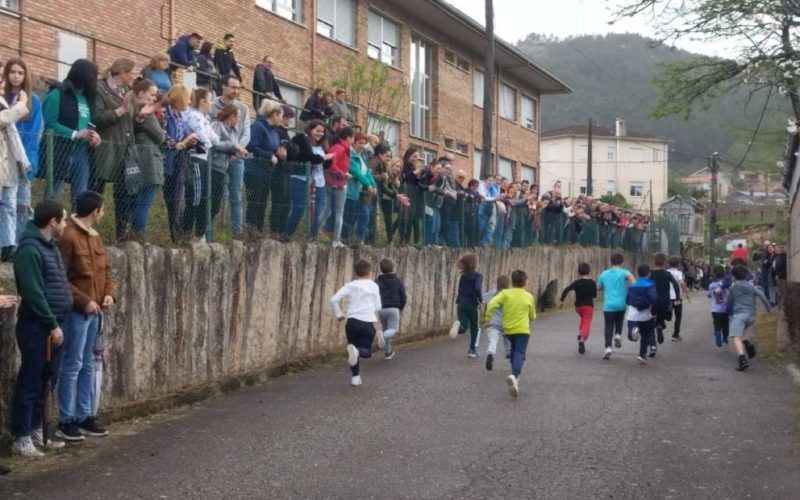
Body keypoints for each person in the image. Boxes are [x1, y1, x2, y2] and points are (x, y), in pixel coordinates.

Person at [11, 200, 71, 457]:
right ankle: (21, 435)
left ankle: (38, 429)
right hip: (37, 326)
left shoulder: (49, 247)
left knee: (47, 378)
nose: (66, 224)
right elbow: (34, 293)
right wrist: (51, 323)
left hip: (53, 323)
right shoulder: (29, 250)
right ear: (52, 222)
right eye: (64, 220)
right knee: (31, 379)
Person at [55, 191, 115, 441]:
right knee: (73, 364)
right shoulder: (68, 236)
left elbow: (106, 271)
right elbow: (61, 278)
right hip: (77, 312)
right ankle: (66, 419)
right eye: (102, 210)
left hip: (95, 311)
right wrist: (85, 301)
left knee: (89, 365)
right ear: (96, 211)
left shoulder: (95, 237)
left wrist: (109, 294)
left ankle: (84, 415)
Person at [183, 88, 243, 241]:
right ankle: (190, 234)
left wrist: (231, 149)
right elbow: (211, 142)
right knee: (200, 199)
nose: (212, 103)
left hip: (219, 167)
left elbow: (215, 140)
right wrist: (232, 147)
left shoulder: (208, 120)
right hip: (209, 165)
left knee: (213, 204)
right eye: (210, 100)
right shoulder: (211, 122)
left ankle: (199, 234)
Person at [41, 58, 101, 212]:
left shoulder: (89, 98)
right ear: (83, 75)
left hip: (82, 153)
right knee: (51, 194)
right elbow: (49, 124)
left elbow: (91, 124)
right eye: (93, 75)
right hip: (59, 151)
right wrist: (75, 134)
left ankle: (76, 230)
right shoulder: (57, 94)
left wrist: (95, 137)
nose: (95, 79)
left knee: (80, 196)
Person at [92, 58, 140, 242]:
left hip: (126, 150)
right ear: (121, 71)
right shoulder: (100, 88)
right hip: (106, 148)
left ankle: (122, 233)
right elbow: (97, 118)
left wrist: (140, 118)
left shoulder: (127, 91)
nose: (132, 77)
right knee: (97, 190)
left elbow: (131, 120)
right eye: (130, 73)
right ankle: (90, 230)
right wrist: (120, 110)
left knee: (124, 192)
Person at [3, 58, 43, 246]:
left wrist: (27, 160)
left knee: (21, 204)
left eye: (20, 73)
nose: (16, 76)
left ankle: (21, 242)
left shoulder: (32, 99)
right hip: (4, 157)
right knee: (6, 203)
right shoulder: (3, 97)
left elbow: (33, 133)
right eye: (13, 72)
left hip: (23, 157)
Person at [485, 270, 536, 398]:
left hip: (508, 330)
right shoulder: (529, 296)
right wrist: (531, 317)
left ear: (512, 281)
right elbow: (533, 315)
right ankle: (514, 375)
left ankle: (515, 381)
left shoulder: (505, 294)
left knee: (513, 352)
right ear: (525, 282)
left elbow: (491, 303)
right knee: (519, 353)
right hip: (523, 330)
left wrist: (488, 316)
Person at [330, 259, 382, 386]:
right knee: (366, 352)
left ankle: (355, 377)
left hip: (351, 322)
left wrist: (339, 314)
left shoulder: (350, 285)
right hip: (367, 322)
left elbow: (333, 299)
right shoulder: (373, 285)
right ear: (370, 272)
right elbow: (378, 307)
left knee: (352, 349)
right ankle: (359, 351)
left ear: (355, 272)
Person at [210, 75, 250, 238]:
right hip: (216, 157)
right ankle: (209, 232)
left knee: (236, 196)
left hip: (237, 158)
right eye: (233, 87)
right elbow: (211, 133)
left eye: (238, 87)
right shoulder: (212, 106)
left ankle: (237, 233)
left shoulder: (243, 108)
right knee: (214, 196)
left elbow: (246, 133)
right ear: (223, 87)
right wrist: (231, 148)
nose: (236, 90)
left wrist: (237, 150)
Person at [0, 71, 30, 262]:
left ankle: (8, 245)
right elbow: (3, 119)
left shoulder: (3, 101)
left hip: (9, 160)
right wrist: (20, 105)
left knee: (10, 205)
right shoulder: (11, 104)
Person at [130, 78, 165, 240]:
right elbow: (159, 137)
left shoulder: (133, 108)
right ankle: (139, 236)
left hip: (139, 159)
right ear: (141, 93)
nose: (154, 98)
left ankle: (133, 234)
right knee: (143, 203)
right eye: (152, 94)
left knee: (138, 202)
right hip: (148, 162)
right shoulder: (145, 111)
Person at [162, 84, 198, 242]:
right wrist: (179, 142)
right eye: (188, 97)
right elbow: (164, 135)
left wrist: (190, 140)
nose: (189, 101)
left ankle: (176, 235)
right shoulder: (166, 114)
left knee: (177, 200)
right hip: (167, 159)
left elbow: (183, 135)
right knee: (171, 198)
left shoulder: (181, 116)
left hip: (180, 159)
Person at [287, 119, 333, 239]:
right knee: (299, 208)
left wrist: (327, 158)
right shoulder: (301, 139)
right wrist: (322, 158)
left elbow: (326, 164)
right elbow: (306, 156)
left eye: (322, 132)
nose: (320, 134)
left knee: (317, 212)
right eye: (317, 131)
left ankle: (312, 238)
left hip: (319, 181)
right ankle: (287, 234)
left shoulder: (323, 145)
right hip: (301, 177)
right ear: (310, 129)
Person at [245, 99, 285, 235]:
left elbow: (275, 149)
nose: (282, 118)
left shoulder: (275, 131)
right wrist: (269, 155)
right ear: (274, 114)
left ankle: (259, 231)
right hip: (255, 169)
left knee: (262, 202)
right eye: (280, 115)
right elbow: (251, 146)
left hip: (268, 171)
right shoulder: (257, 126)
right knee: (255, 201)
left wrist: (280, 154)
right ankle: (251, 229)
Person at [726, 265, 772, 371]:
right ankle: (747, 344)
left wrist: (728, 312)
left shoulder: (733, 287)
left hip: (739, 314)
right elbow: (762, 296)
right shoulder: (751, 286)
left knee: (736, 336)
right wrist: (769, 309)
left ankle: (742, 359)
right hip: (751, 315)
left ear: (734, 276)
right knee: (741, 331)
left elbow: (729, 302)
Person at [320, 126, 354, 248]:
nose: (353, 140)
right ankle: (336, 240)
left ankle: (314, 232)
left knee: (326, 209)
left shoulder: (337, 147)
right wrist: (343, 175)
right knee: (339, 212)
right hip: (338, 183)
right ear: (348, 137)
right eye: (353, 137)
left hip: (330, 181)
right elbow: (332, 165)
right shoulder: (341, 149)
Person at [597, 253, 634, 360]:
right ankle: (618, 334)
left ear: (610, 262)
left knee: (608, 326)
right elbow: (633, 280)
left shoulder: (604, 274)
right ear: (622, 262)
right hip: (621, 303)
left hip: (608, 304)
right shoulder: (624, 272)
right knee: (619, 321)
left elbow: (599, 287)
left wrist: (604, 285)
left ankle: (608, 347)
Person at [344, 132, 377, 245]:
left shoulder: (361, 156)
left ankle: (357, 240)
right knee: (349, 217)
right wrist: (367, 185)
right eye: (360, 143)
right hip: (350, 190)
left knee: (363, 216)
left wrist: (373, 185)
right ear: (353, 142)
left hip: (359, 192)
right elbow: (356, 172)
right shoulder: (350, 155)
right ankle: (346, 239)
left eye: (364, 143)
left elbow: (367, 172)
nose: (362, 145)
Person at [449, 253, 483, 358]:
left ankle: (458, 328)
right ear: (474, 264)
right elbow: (477, 288)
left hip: (461, 303)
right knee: (474, 327)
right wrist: (480, 300)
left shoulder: (463, 277)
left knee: (463, 326)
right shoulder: (478, 276)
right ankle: (472, 350)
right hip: (472, 304)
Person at [559, 262, 597, 355]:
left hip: (578, 307)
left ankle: (581, 332)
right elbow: (595, 295)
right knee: (587, 322)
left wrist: (562, 301)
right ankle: (582, 338)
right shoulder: (592, 283)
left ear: (578, 273)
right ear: (589, 272)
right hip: (588, 306)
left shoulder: (576, 283)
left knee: (583, 320)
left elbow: (566, 290)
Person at [648, 253, 681, 356]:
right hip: (665, 301)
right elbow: (675, 284)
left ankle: (653, 346)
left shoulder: (651, 274)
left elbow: (646, 285)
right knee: (660, 320)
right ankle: (660, 325)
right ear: (664, 262)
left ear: (653, 261)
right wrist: (677, 297)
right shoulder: (667, 274)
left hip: (653, 301)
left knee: (650, 323)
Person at [625, 264, 658, 364]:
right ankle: (642, 355)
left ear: (637, 273)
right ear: (649, 274)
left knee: (632, 332)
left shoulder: (632, 285)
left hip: (632, 315)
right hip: (645, 315)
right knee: (646, 335)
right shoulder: (650, 285)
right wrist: (654, 312)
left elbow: (627, 300)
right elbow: (654, 299)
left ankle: (632, 331)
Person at [375, 258, 406, 359]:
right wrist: (401, 307)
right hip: (393, 308)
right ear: (393, 268)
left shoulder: (377, 281)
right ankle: (382, 336)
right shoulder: (397, 281)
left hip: (380, 309)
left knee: (386, 329)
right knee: (393, 330)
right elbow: (403, 296)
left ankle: (387, 352)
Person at [483, 275, 510, 371]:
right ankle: (509, 356)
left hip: (492, 322)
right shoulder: (509, 295)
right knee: (508, 341)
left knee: (493, 340)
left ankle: (490, 353)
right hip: (506, 323)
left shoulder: (493, 293)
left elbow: (482, 298)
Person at [667, 256, 691, 342]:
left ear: (669, 264)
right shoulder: (679, 273)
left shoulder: (666, 272)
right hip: (677, 297)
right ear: (678, 264)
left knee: (664, 314)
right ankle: (675, 334)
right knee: (678, 316)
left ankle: (660, 326)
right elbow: (682, 283)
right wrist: (687, 293)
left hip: (667, 297)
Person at [708, 265, 729, 347]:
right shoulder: (725, 284)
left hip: (715, 309)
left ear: (713, 274)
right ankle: (725, 339)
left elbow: (709, 295)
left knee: (717, 323)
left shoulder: (712, 285)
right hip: (725, 308)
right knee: (725, 324)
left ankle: (717, 332)